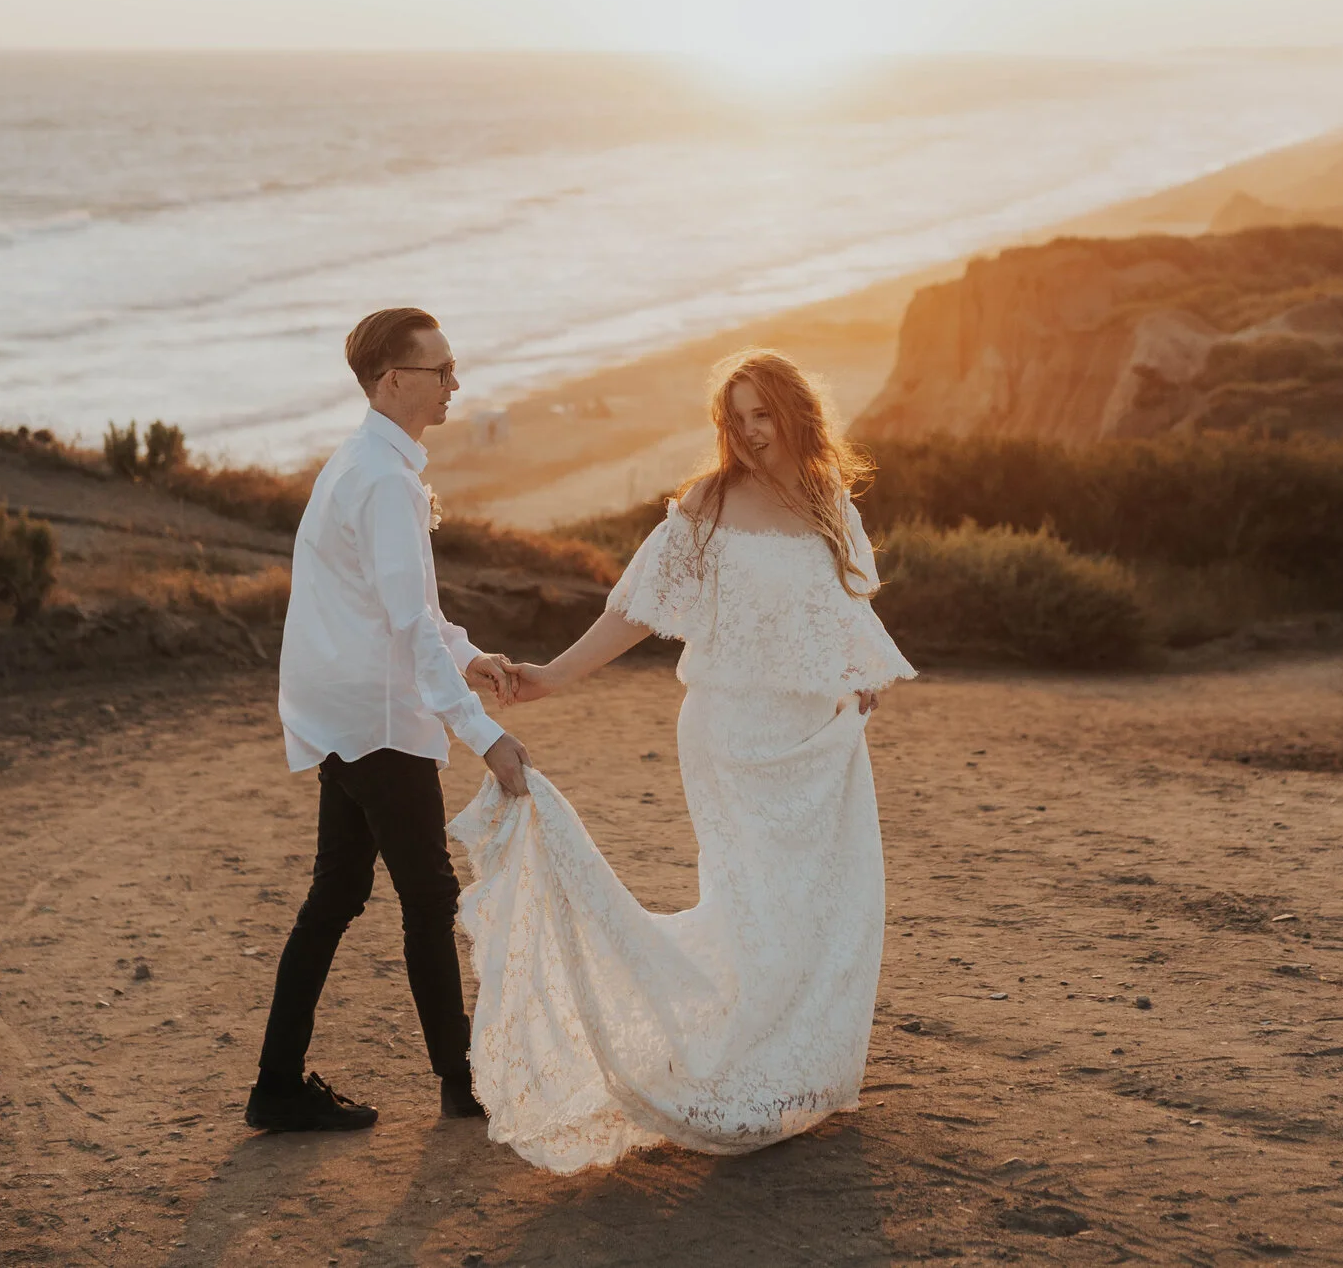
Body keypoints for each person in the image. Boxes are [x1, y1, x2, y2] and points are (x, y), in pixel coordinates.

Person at [450, 348, 913, 1173]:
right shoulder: (707, 502)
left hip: (812, 740)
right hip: (729, 735)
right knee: (752, 907)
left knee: (829, 905)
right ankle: (738, 1065)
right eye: (735, 419)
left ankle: (797, 1071)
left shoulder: (827, 499)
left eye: (762, 415)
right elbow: (635, 607)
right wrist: (552, 676)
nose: (749, 433)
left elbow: (847, 612)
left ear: (794, 412)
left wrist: (861, 682)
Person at [245, 307, 534, 1133]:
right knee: (428, 892)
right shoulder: (381, 478)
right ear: (392, 381)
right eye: (441, 370)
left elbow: (408, 610)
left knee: (338, 888)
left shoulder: (368, 461)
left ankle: (276, 1084)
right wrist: (486, 734)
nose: (455, 383)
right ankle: (463, 1081)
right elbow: (406, 627)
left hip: (340, 703)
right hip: (370, 712)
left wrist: (469, 653)